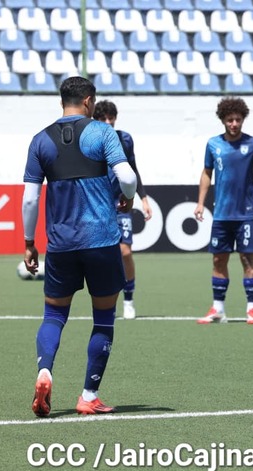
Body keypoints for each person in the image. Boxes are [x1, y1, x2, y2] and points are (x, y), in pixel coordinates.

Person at [23, 76, 137, 417]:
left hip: (60, 244)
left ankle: (45, 370)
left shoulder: (40, 140)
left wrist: (30, 243)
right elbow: (127, 178)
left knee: (54, 315)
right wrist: (127, 198)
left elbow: (30, 200)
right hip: (101, 240)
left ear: (62, 102)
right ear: (89, 101)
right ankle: (88, 395)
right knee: (103, 319)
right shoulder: (103, 133)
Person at [194, 97, 253, 325]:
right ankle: (218, 308)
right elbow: (206, 173)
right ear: (223, 120)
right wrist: (200, 203)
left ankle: (252, 309)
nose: (234, 124)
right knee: (219, 260)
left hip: (246, 214)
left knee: (248, 260)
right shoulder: (213, 144)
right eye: (230, 120)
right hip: (221, 215)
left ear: (243, 119)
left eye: (238, 119)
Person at [93, 100, 152, 320]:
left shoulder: (124, 139)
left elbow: (133, 169)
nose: (108, 122)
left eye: (111, 118)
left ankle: (129, 300)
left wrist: (143, 198)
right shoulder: (90, 141)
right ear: (96, 120)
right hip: (98, 205)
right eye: (103, 118)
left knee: (125, 251)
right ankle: (107, 301)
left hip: (121, 204)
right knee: (101, 256)